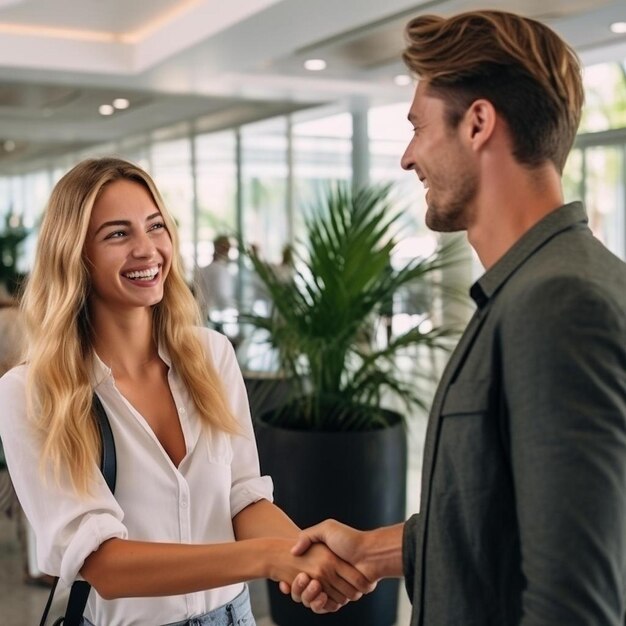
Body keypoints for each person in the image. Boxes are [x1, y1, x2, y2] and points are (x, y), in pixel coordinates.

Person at [283, 9, 626, 625]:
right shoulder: (541, 284)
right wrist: (377, 551)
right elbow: (509, 519)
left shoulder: (559, 303)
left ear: (478, 124)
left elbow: (573, 603)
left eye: (417, 126)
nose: (407, 157)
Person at [0, 158, 373, 626]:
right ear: (75, 253)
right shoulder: (32, 394)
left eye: (155, 226)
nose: (147, 249)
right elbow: (104, 564)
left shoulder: (211, 356)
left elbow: (242, 497)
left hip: (235, 616)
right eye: (118, 234)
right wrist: (270, 558)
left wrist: (304, 556)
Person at [193, 234, 237, 331]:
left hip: (204, 316)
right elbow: (222, 296)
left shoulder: (202, 270)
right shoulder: (221, 270)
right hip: (214, 317)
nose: (228, 252)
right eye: (226, 248)